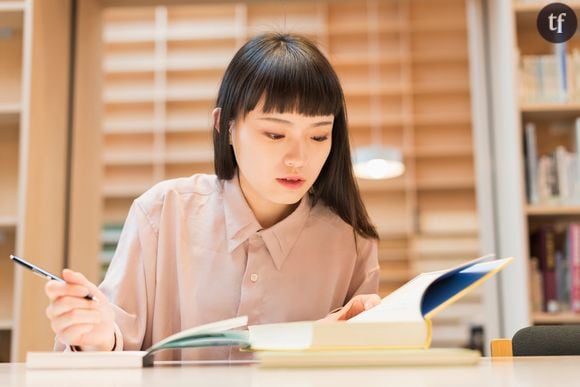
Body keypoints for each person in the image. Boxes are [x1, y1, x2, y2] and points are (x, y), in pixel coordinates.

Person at [44, 32, 381, 360]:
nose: (298, 158)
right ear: (225, 125)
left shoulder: (350, 244)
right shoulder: (162, 213)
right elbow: (113, 340)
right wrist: (96, 338)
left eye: (319, 136)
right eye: (275, 134)